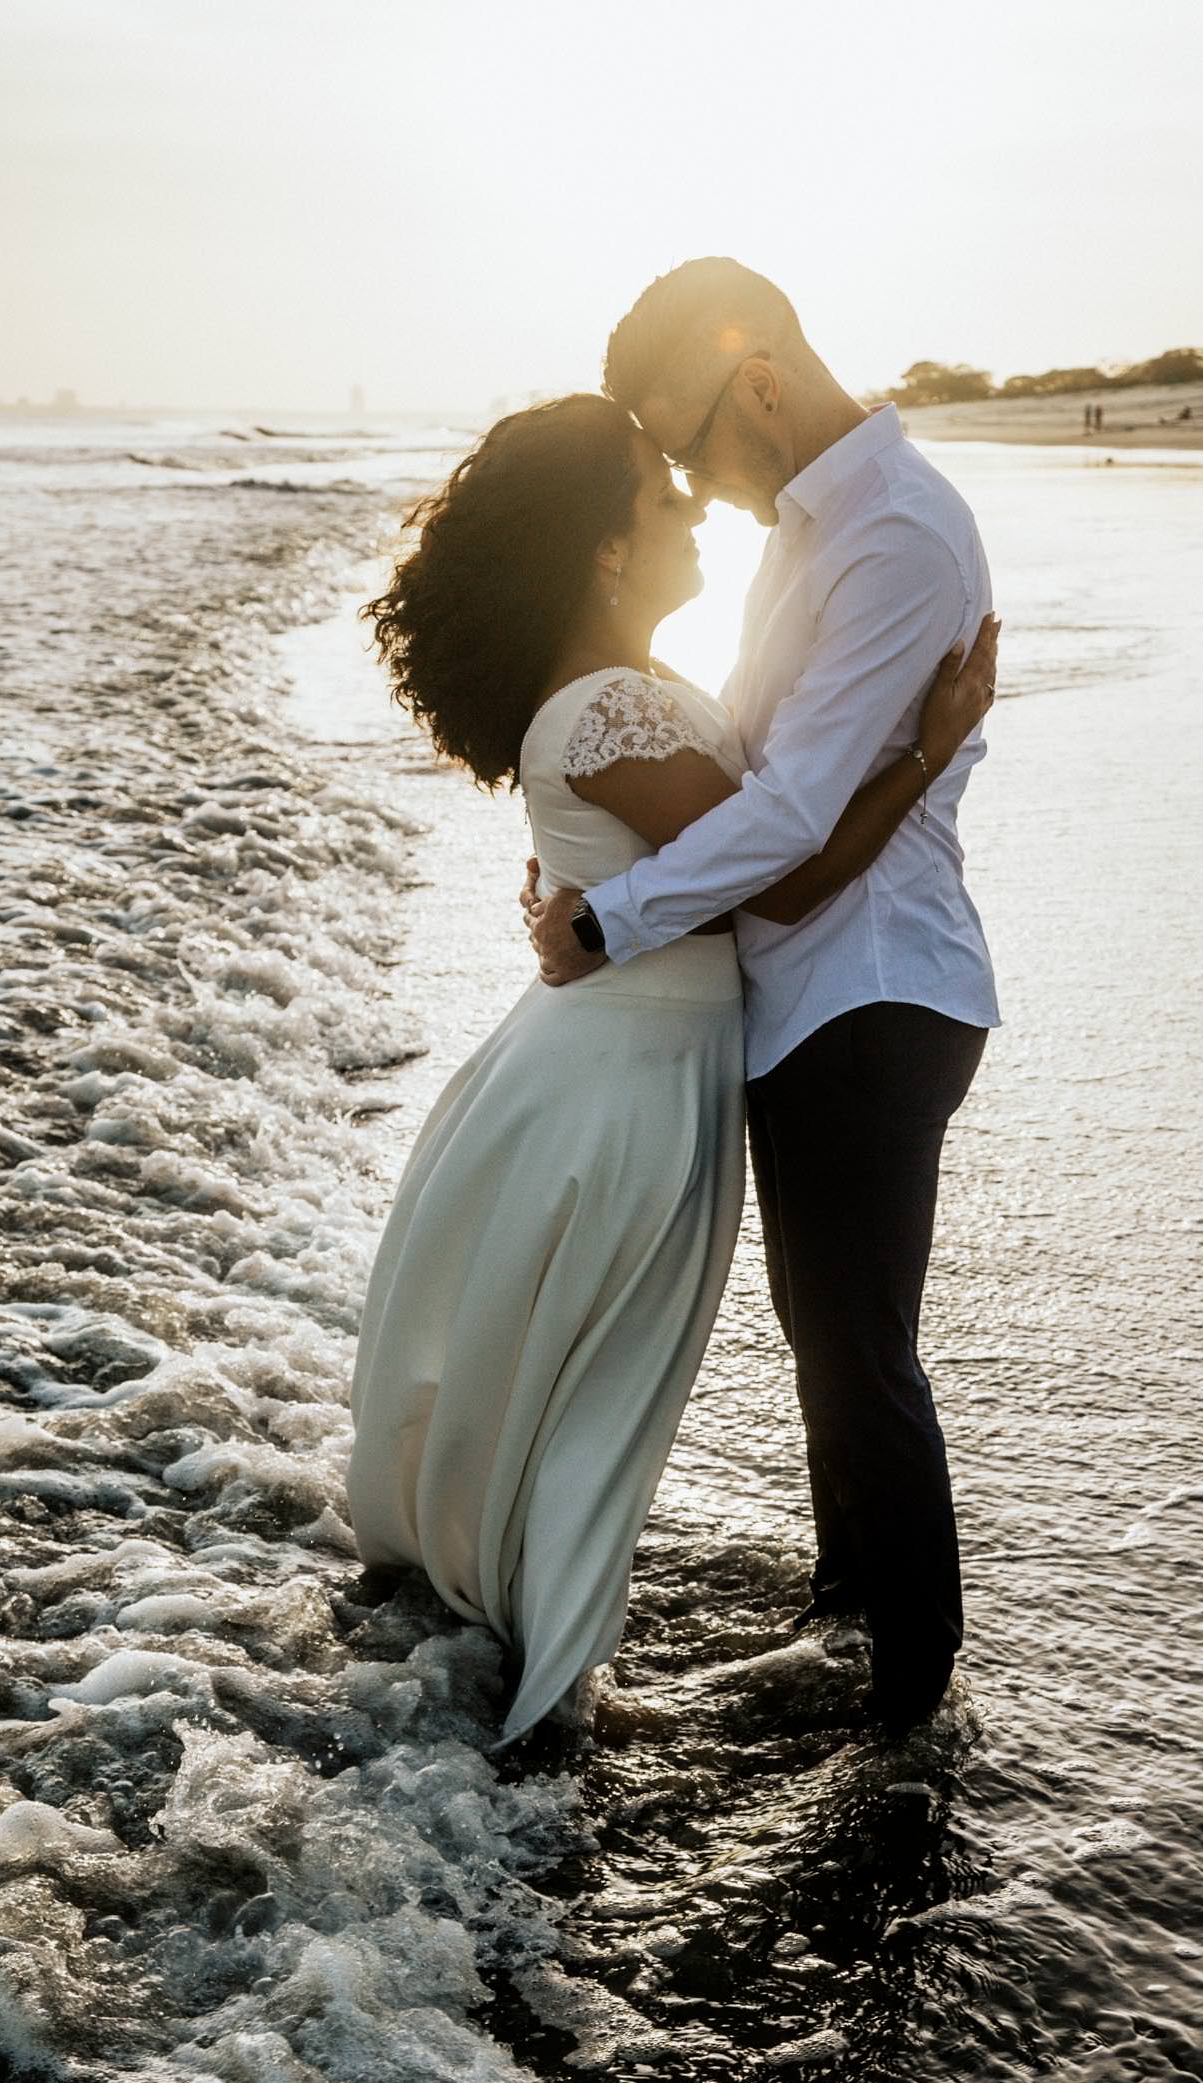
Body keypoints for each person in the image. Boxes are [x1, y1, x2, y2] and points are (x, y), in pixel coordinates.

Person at [346, 390, 995, 1746]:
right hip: (620, 1086)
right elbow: (791, 864)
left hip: (640, 1061)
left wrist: (584, 903)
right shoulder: (607, 710)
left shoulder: (622, 698)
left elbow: (722, 846)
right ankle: (551, 1686)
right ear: (601, 548)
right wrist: (931, 748)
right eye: (659, 490)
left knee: (595, 1361)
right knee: (606, 1367)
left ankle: (532, 1654)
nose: (690, 502)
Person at [529, 259, 1001, 1737]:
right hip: (808, 994)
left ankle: (912, 1706)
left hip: (875, 985)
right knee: (826, 1330)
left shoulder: (897, 539)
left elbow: (794, 814)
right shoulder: (812, 531)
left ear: (764, 381)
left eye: (685, 443)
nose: (682, 479)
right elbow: (752, 769)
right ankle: (844, 1625)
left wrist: (609, 916)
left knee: (858, 1343)